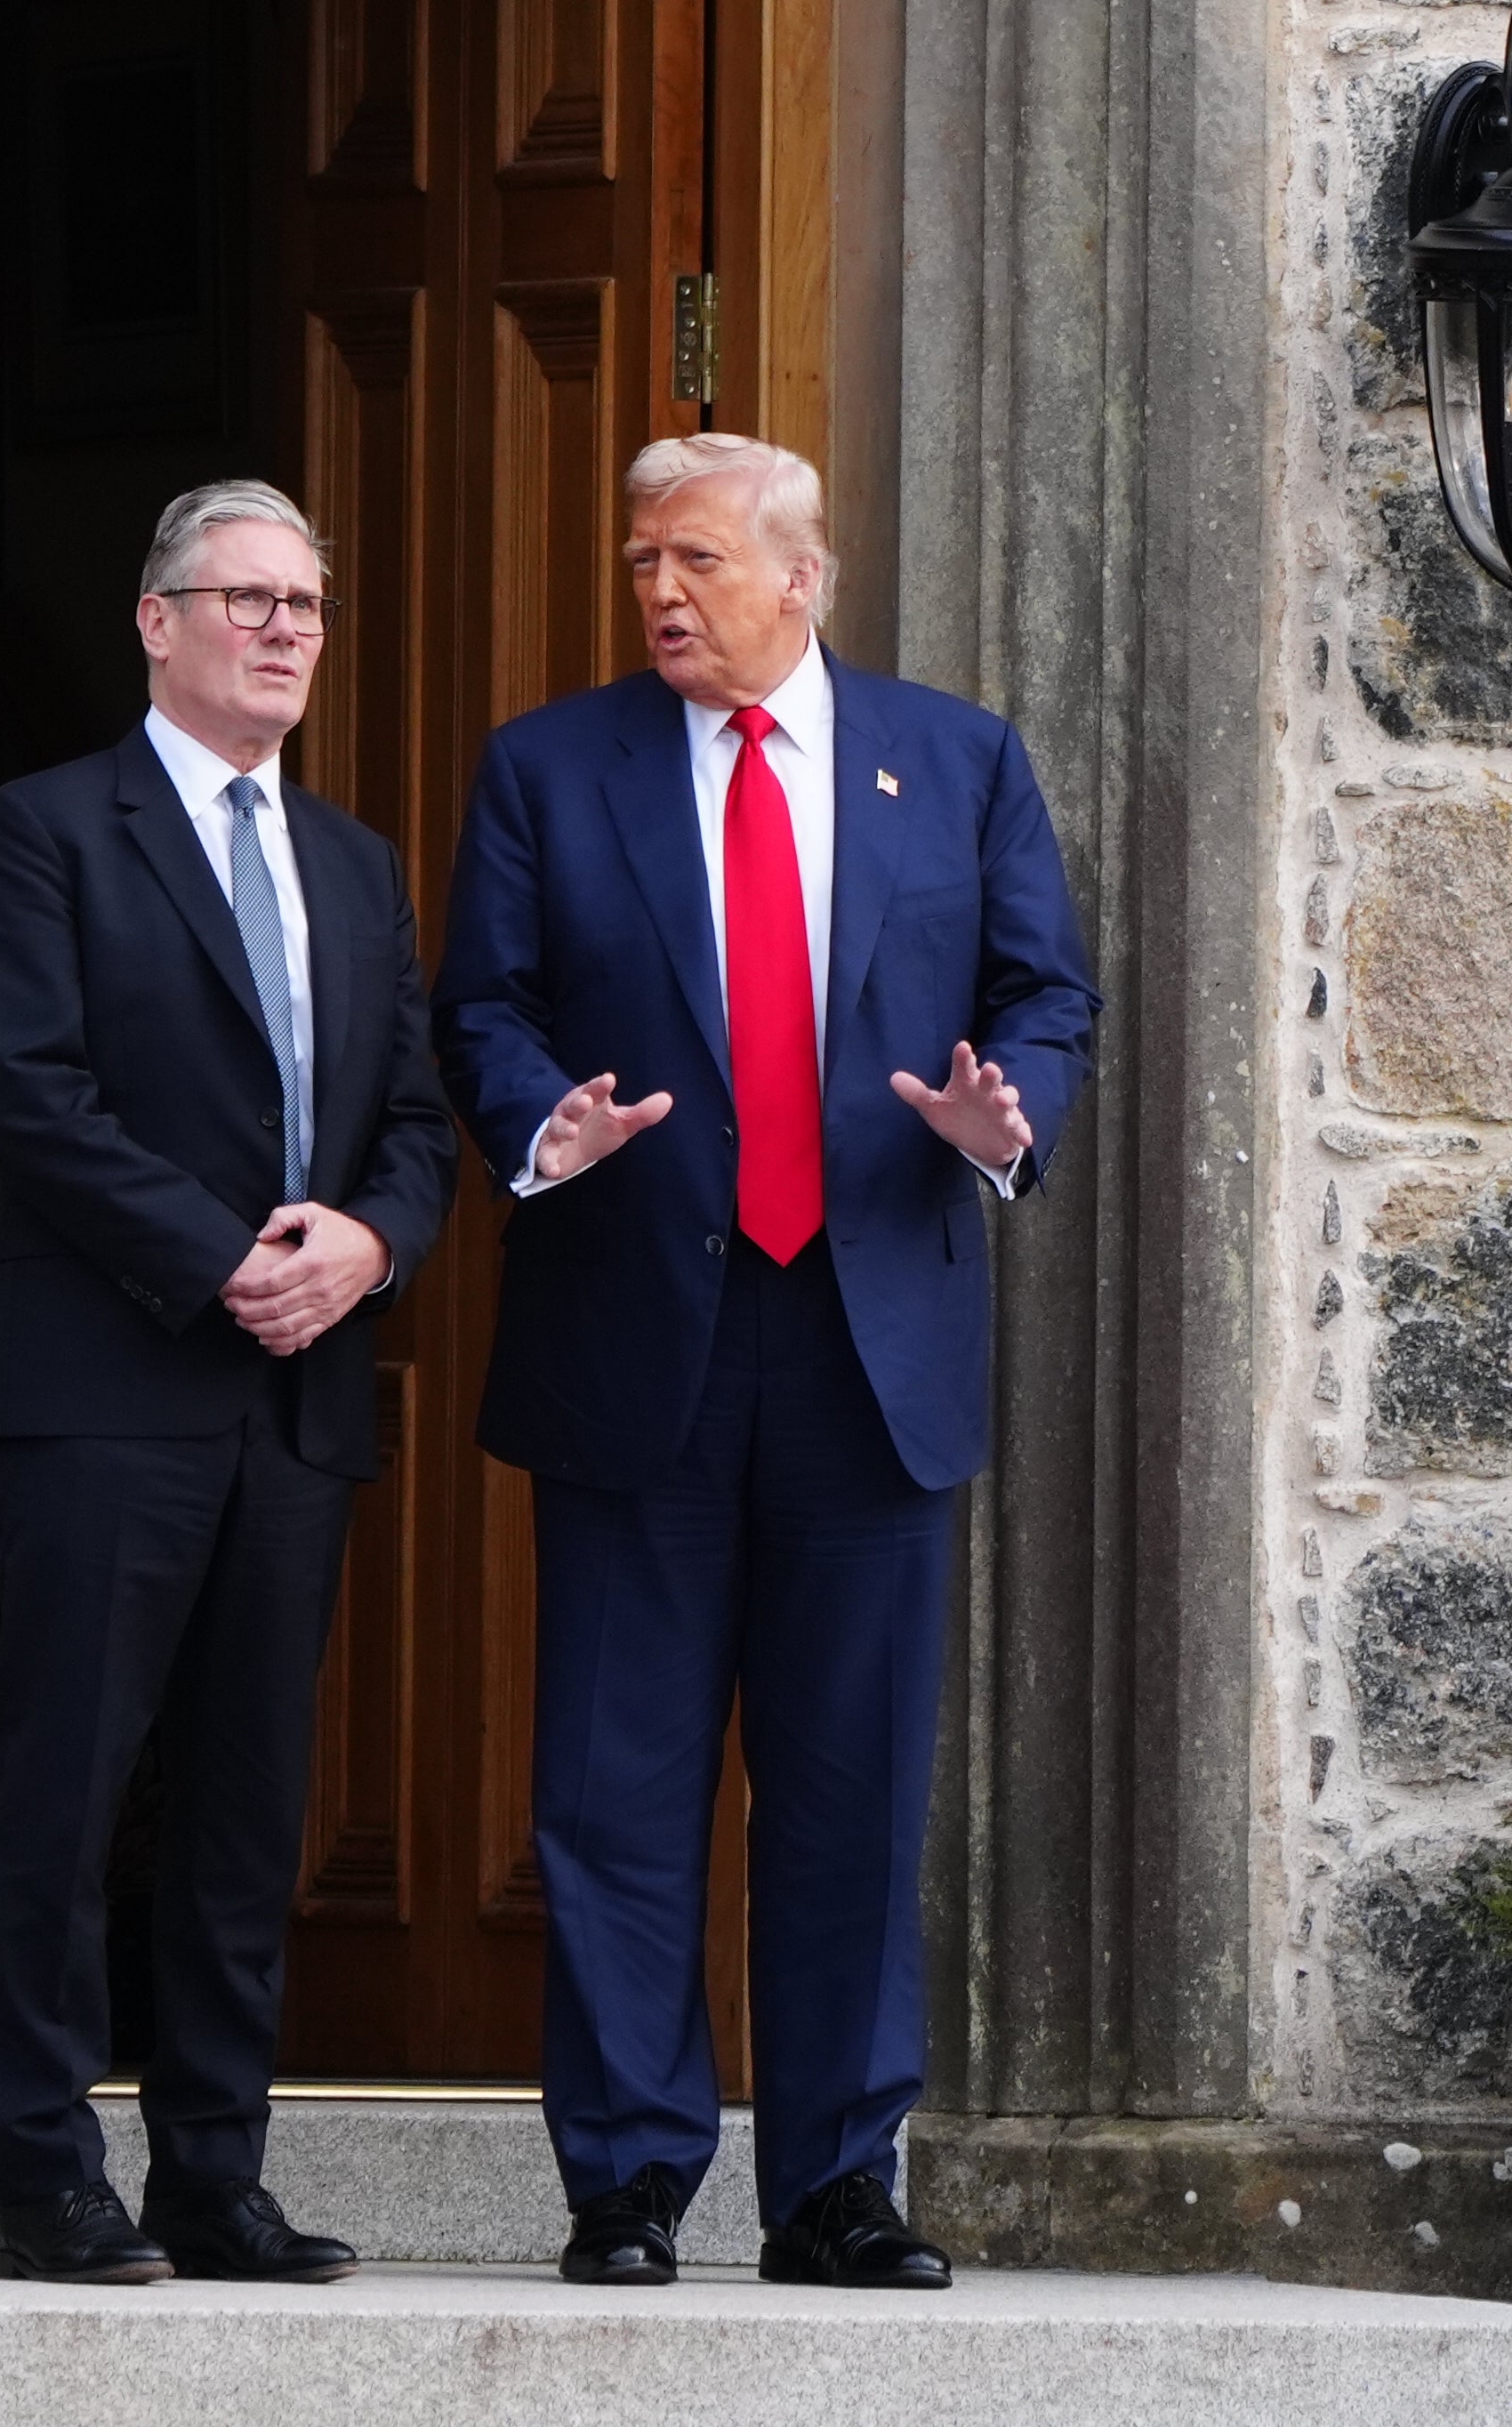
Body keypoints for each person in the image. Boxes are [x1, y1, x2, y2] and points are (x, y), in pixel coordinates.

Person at [430, 434, 1100, 2291]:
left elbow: (1046, 995)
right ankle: (629, 2176)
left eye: (697, 558)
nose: (658, 588)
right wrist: (539, 1120)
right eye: (641, 556)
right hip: (635, 1327)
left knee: (846, 1784)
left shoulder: (951, 759)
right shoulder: (549, 766)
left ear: (803, 575)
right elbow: (475, 1000)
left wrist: (1002, 1116)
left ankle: (830, 2182)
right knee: (614, 1785)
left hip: (866, 1336)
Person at [0, 480, 461, 2286]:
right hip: (107, 1383)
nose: (280, 627)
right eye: (240, 596)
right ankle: (41, 2174)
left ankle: (209, 2173)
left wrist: (368, 1249)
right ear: (153, 620)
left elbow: (410, 1115)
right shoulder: (43, 831)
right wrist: (219, 1248)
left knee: (250, 1804)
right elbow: (23, 1088)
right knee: (65, 1785)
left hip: (297, 1397)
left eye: (304, 602)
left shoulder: (355, 863)